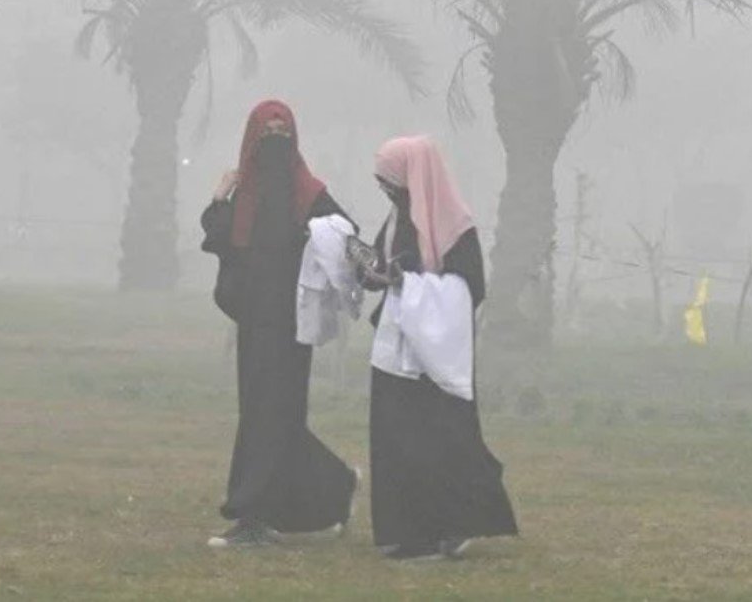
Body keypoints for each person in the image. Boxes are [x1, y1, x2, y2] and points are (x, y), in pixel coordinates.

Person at [199, 99, 359, 549]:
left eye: (281, 129)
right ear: (253, 137)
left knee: (272, 417)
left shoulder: (307, 192)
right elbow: (220, 239)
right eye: (266, 130)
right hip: (254, 324)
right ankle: (336, 485)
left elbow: (345, 233)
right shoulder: (243, 194)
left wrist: (316, 238)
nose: (274, 137)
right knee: (268, 417)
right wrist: (219, 196)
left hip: (292, 326)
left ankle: (251, 517)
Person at [359, 135, 518, 562]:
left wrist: (409, 286)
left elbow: (468, 287)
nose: (386, 191)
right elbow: (380, 264)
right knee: (398, 442)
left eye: (390, 183)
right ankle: (410, 530)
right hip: (398, 352)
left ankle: (439, 530)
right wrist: (370, 272)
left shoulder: (455, 226)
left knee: (439, 442)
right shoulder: (396, 220)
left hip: (436, 356)